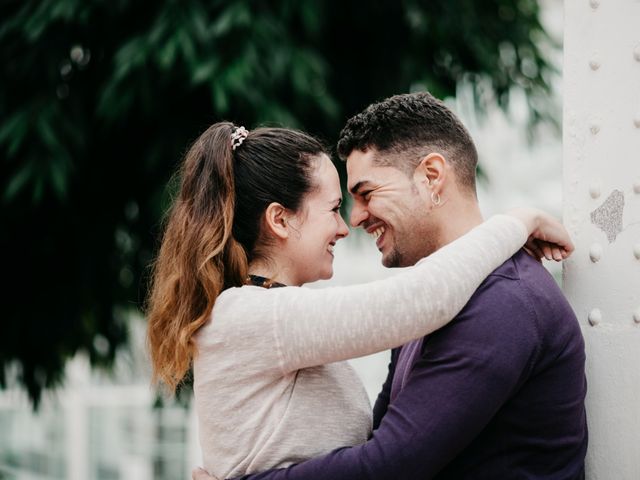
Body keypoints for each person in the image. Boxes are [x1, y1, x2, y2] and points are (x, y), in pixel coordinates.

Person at [145, 120, 572, 480]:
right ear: (279, 220)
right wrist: (518, 221)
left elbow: (381, 448)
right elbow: (425, 297)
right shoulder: (259, 316)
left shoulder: (275, 318)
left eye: (363, 196)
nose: (347, 224)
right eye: (333, 208)